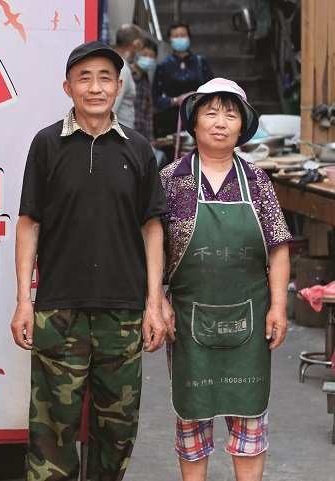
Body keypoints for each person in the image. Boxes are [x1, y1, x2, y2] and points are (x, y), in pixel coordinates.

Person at [10, 40, 169, 481]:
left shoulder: (138, 149)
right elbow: (29, 223)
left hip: (123, 311)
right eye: (84, 78)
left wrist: (154, 303)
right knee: (51, 431)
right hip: (59, 308)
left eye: (104, 78)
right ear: (67, 87)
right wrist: (25, 300)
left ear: (118, 86)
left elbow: (152, 227)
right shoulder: (46, 145)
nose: (95, 87)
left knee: (116, 431)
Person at [159, 78, 291, 481]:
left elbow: (278, 246)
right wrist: (158, 300)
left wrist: (280, 308)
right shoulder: (170, 180)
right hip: (187, 316)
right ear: (194, 122)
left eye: (230, 114)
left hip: (251, 318)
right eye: (211, 113)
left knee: (249, 418)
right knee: (192, 419)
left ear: (242, 126)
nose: (220, 122)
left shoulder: (257, 181)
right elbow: (150, 249)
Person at [152, 21, 214, 139]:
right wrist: (175, 100)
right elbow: (155, 98)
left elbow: (213, 91)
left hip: (198, 118)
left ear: (189, 37)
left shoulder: (200, 62)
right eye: (175, 36)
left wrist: (197, 96)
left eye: (183, 35)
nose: (179, 39)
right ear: (170, 39)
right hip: (171, 121)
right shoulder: (163, 66)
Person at [112, 23, 143, 128]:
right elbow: (112, 107)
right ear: (136, 43)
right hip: (118, 137)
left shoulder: (116, 64)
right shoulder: (122, 69)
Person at [131, 37, 158, 142]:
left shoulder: (146, 81)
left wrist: (150, 139)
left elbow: (148, 112)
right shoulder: (125, 73)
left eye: (151, 56)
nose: (148, 59)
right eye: (145, 55)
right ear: (137, 55)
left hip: (139, 135)